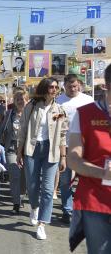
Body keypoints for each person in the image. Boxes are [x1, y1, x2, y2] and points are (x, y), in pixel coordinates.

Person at [17, 77, 68, 240]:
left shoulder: (59, 109)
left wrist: (63, 156)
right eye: (51, 87)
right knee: (32, 186)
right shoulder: (31, 106)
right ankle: (34, 207)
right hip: (32, 149)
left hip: (51, 151)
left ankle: (42, 224)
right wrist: (19, 152)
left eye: (56, 87)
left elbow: (62, 134)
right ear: (45, 88)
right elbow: (22, 130)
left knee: (47, 190)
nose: (54, 89)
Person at [67, 64, 111, 254]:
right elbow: (74, 159)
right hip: (96, 199)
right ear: (106, 86)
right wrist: (103, 173)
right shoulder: (84, 114)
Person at [56, 74, 94, 224]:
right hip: (65, 145)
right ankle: (67, 210)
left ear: (79, 85)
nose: (72, 89)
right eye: (69, 86)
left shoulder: (88, 100)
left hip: (85, 146)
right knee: (65, 180)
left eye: (75, 86)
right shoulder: (59, 102)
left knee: (87, 179)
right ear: (64, 86)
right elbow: (56, 124)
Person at [0, 89, 29, 214]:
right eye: (18, 99)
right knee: (14, 175)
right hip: (11, 148)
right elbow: (1, 130)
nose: (21, 101)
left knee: (24, 177)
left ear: (27, 100)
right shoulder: (9, 113)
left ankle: (21, 196)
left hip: (26, 149)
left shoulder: (31, 113)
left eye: (23, 99)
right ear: (14, 101)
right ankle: (16, 202)